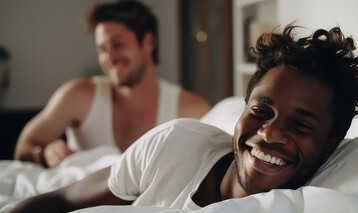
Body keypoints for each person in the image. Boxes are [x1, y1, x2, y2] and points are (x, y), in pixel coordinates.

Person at [0, 23, 358, 213]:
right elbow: (62, 201)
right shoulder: (176, 144)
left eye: (301, 124)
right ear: (243, 110)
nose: (271, 133)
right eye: (261, 110)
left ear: (328, 148)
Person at [13, 0, 210, 168]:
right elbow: (23, 147)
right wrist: (45, 152)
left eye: (117, 45)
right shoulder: (77, 96)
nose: (108, 58)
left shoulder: (192, 109)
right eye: (102, 49)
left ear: (148, 42)